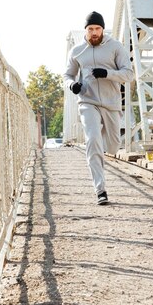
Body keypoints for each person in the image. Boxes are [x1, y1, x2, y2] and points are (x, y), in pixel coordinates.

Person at [64, 11, 134, 205]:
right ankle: (100, 190)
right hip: (88, 102)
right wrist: (72, 85)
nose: (94, 33)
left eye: (97, 29)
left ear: (102, 29)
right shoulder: (77, 50)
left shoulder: (115, 47)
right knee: (93, 139)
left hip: (111, 104)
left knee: (112, 146)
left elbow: (128, 75)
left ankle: (103, 147)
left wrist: (108, 73)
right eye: (90, 29)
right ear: (85, 30)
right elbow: (67, 75)